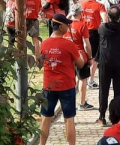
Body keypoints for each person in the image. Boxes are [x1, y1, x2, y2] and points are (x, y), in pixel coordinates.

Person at [39, 14, 86, 145]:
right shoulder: (69, 44)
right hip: (66, 86)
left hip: (48, 86)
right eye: (67, 24)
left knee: (46, 118)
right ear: (60, 27)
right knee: (69, 119)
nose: (69, 26)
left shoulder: (44, 43)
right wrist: (81, 55)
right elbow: (80, 64)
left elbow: (39, 62)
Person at [98, 5, 120, 125]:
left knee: (104, 89)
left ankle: (102, 115)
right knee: (118, 90)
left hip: (105, 62)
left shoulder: (102, 28)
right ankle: (117, 116)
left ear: (108, 16)